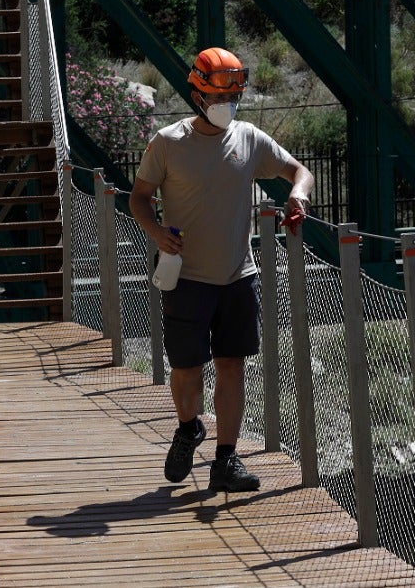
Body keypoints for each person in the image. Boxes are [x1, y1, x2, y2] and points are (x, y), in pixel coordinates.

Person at [130, 47, 315, 494]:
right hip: (186, 277)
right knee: (186, 367)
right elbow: (139, 198)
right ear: (198, 96)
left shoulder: (249, 138)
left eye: (233, 97)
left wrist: (299, 195)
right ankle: (188, 428)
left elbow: (299, 171)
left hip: (238, 276)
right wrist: (156, 232)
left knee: (232, 365)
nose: (226, 105)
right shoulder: (167, 142)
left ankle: (226, 460)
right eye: (218, 97)